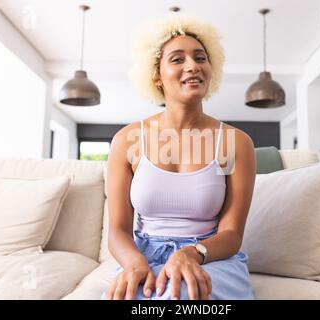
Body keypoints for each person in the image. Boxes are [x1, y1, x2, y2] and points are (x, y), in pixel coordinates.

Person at [102, 15, 256, 300]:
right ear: (156, 75)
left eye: (200, 58)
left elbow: (232, 233)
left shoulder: (235, 143)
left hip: (209, 257)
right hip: (143, 255)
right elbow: (118, 231)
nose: (193, 66)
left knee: (181, 296)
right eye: (177, 59)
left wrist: (192, 254)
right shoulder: (127, 141)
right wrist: (134, 263)